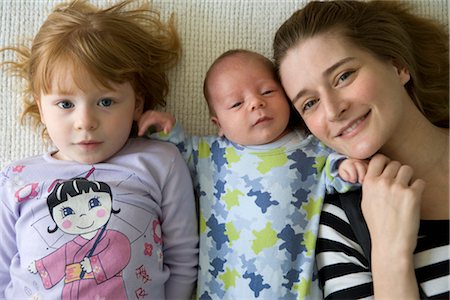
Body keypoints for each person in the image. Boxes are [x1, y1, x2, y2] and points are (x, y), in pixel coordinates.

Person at [0, 1, 198, 299]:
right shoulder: (15, 178)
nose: (86, 122)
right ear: (41, 108)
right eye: (65, 104)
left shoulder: (159, 162)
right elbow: (3, 270)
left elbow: (182, 258)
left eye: (105, 102)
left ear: (137, 104)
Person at [138, 49, 367, 299]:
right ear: (219, 125)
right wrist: (164, 131)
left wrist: (347, 169)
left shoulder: (314, 148)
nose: (256, 103)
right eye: (237, 103)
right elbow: (172, 159)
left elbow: (337, 175)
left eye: (267, 91)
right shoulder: (209, 155)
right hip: (222, 290)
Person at [273, 0, 449, 299]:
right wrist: (389, 255)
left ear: (398, 65)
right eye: (310, 103)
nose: (332, 109)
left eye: (344, 76)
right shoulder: (340, 225)